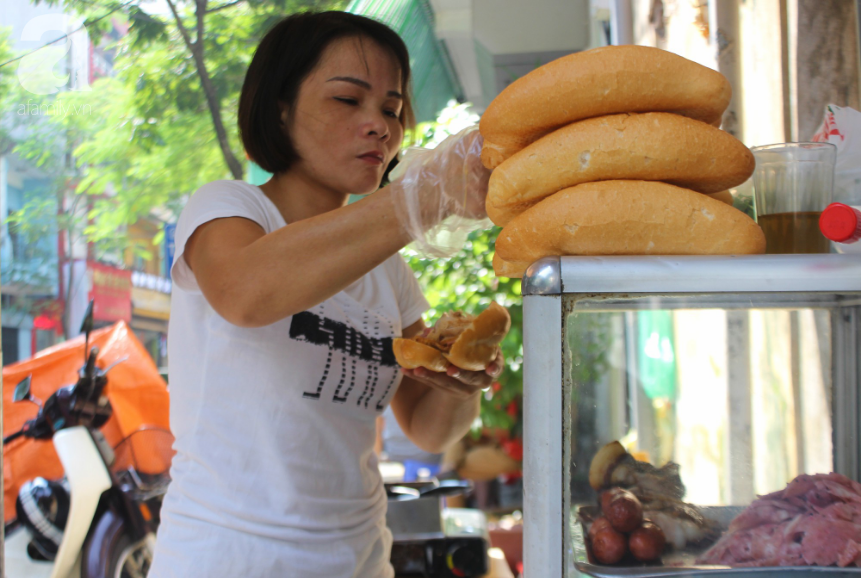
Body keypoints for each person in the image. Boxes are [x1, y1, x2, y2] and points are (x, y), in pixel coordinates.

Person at [148, 11, 501, 578]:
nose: (379, 126)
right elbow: (245, 293)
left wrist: (467, 374)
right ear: (281, 108)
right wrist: (421, 199)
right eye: (347, 99)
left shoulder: (387, 270)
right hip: (229, 560)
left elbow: (429, 428)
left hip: (361, 559)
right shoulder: (229, 208)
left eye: (392, 109)